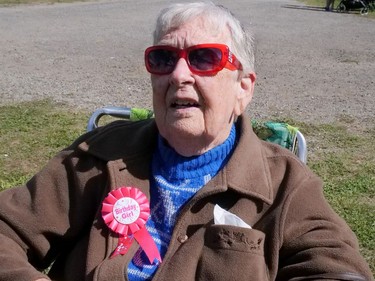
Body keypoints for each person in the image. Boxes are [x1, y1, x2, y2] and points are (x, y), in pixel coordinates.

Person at [0, 2, 373, 281]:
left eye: (204, 58)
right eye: (163, 58)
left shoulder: (287, 187)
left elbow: (335, 268)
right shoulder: (96, 157)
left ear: (243, 88)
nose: (178, 74)